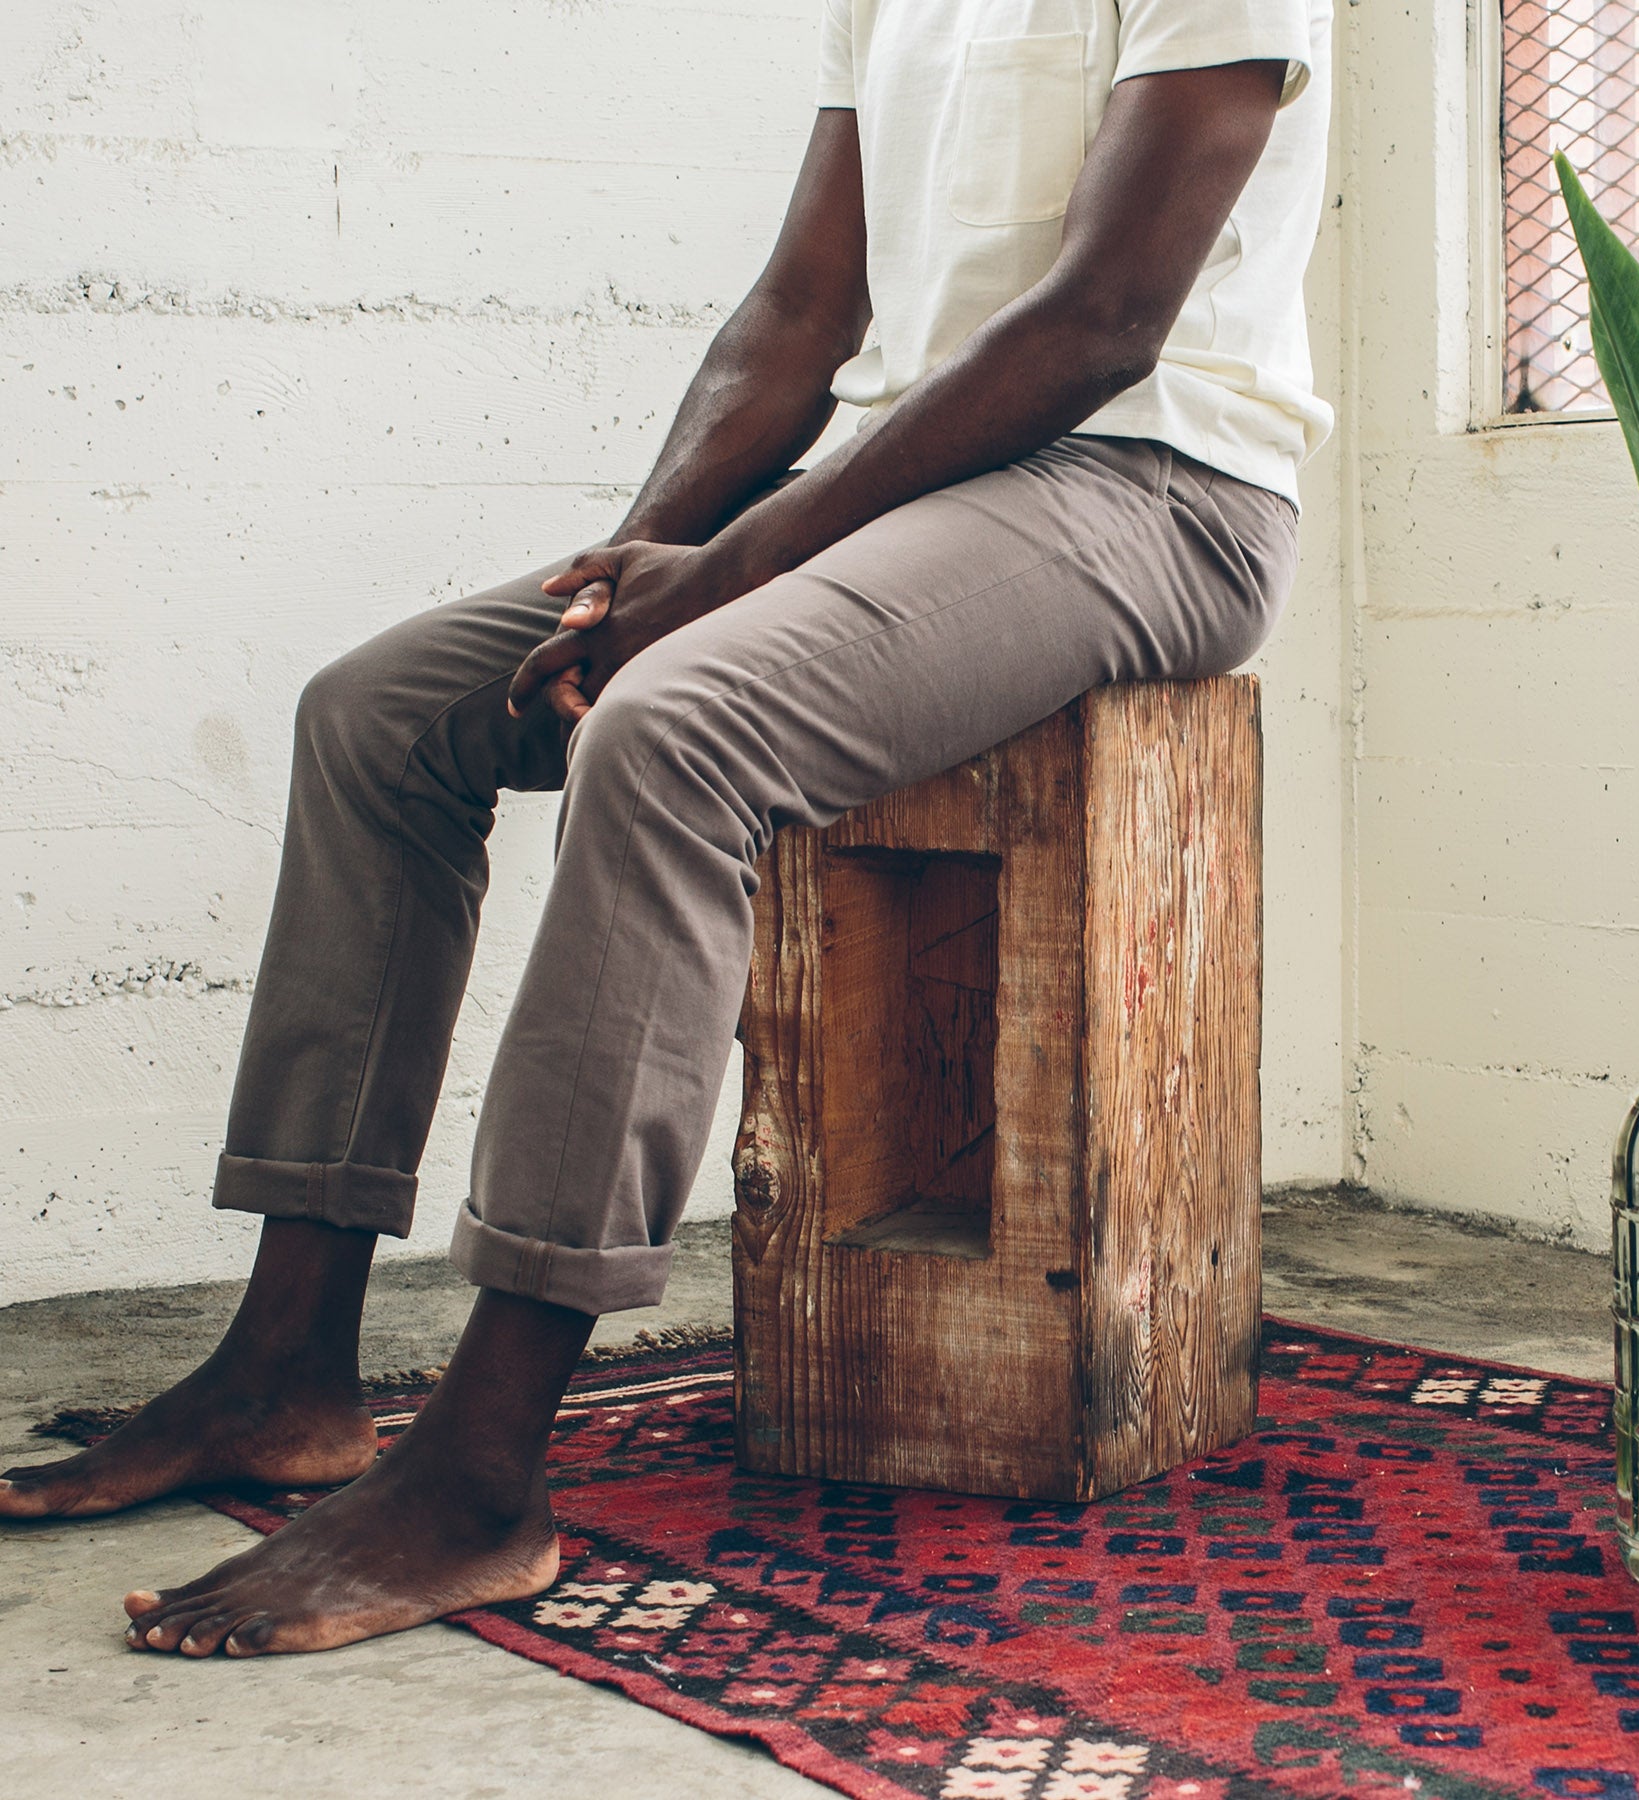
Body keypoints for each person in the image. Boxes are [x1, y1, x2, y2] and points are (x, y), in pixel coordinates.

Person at [0, 0, 1333, 1657]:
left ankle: (482, 1467)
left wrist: (736, 582)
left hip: (1157, 492)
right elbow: (801, 307)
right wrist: (631, 575)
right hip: (919, 483)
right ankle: (287, 1364)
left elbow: (1105, 320)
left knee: (678, 730)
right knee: (380, 715)